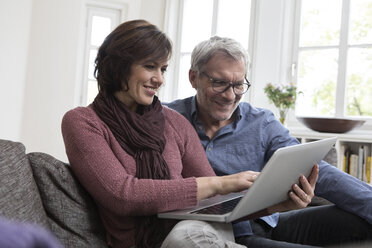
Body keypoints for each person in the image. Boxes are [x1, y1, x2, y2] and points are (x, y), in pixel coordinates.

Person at [61, 20, 318, 248]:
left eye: (163, 69)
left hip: (203, 230)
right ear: (118, 66)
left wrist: (278, 205)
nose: (160, 79)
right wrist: (222, 182)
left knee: (185, 235)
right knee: (183, 239)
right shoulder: (83, 122)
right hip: (152, 241)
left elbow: (215, 204)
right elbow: (123, 195)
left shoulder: (173, 121)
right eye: (150, 67)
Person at [165, 36, 372, 248]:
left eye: (238, 85)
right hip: (222, 232)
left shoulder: (261, 121)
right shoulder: (164, 118)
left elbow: (315, 170)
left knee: (362, 220)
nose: (230, 95)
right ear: (193, 78)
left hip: (268, 220)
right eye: (219, 83)